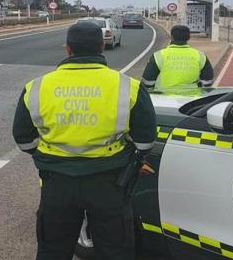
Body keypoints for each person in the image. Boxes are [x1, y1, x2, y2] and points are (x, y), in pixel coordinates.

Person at [13, 22, 157, 260]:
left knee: (52, 251)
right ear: (102, 47)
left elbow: (24, 141)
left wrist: (50, 156)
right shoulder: (127, 86)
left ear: (67, 49)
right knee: (115, 251)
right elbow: (145, 141)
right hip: (110, 184)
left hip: (56, 184)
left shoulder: (36, 87)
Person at [141, 25, 214, 91]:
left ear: (172, 37)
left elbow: (147, 82)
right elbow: (207, 82)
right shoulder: (200, 55)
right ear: (188, 38)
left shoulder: (158, 55)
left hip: (164, 99)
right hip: (192, 100)